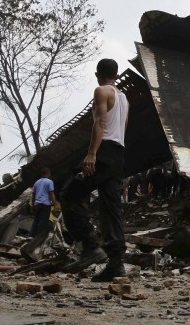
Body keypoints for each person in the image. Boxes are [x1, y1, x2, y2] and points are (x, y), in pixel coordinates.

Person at [60, 58, 129, 281]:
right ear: (116, 75)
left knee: (69, 195)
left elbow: (99, 122)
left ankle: (90, 246)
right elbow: (123, 128)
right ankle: (116, 263)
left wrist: (91, 154)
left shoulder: (101, 91)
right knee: (111, 208)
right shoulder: (124, 98)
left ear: (98, 74)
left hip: (104, 151)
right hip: (119, 154)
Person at [29, 167, 55, 237]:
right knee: (43, 221)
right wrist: (54, 204)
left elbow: (33, 195)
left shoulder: (36, 182)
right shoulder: (49, 182)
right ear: (48, 173)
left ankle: (31, 236)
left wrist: (32, 205)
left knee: (36, 220)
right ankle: (37, 237)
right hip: (46, 204)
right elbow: (51, 194)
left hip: (37, 204)